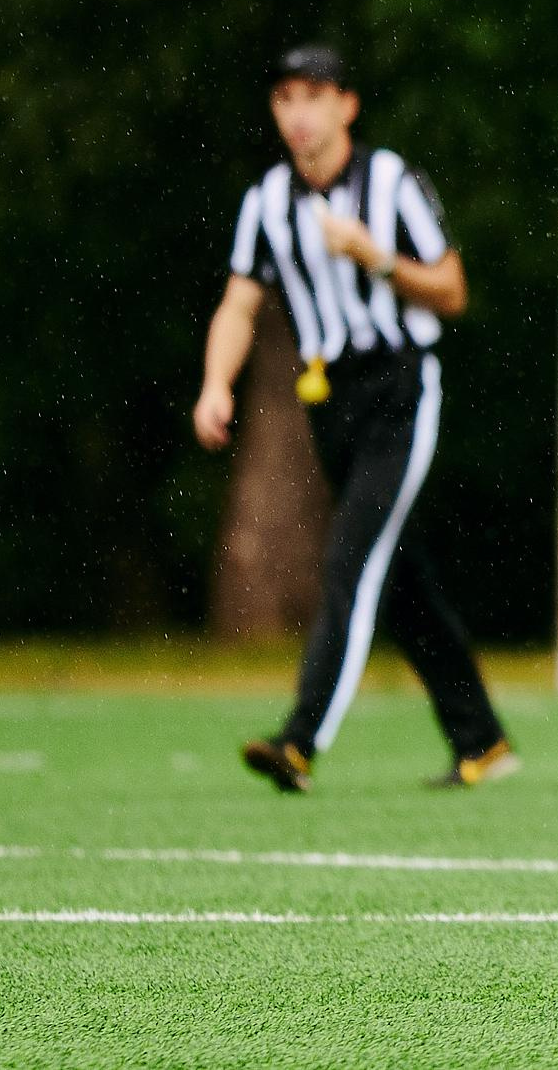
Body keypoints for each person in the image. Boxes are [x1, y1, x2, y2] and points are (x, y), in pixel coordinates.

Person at [195, 44, 517, 794]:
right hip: (328, 402)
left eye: (311, 95)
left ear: (346, 104)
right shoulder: (268, 200)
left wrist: (378, 259)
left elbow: (452, 289)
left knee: (349, 559)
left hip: (401, 389)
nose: (297, 113)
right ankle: (483, 740)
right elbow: (240, 303)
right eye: (283, 99)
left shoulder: (390, 181)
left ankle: (300, 740)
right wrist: (217, 384)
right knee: (399, 578)